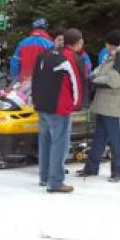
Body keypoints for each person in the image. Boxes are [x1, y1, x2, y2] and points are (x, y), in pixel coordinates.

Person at [32, 28, 85, 193]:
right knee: (59, 144)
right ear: (77, 42)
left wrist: (36, 101)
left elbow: (35, 78)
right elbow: (77, 84)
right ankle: (55, 182)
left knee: (45, 142)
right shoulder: (71, 58)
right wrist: (76, 105)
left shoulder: (44, 55)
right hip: (59, 107)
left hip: (42, 105)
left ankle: (44, 176)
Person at [77, 30, 120, 182]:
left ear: (111, 44)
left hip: (116, 107)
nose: (106, 47)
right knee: (98, 139)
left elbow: (113, 81)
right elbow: (98, 71)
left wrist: (93, 81)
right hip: (104, 105)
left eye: (107, 44)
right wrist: (93, 77)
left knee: (117, 142)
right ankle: (91, 168)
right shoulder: (112, 56)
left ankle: (118, 171)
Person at [9, 18, 53, 83]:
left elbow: (14, 63)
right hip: (42, 83)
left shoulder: (22, 43)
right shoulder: (50, 44)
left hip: (23, 82)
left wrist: (15, 79)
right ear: (45, 28)